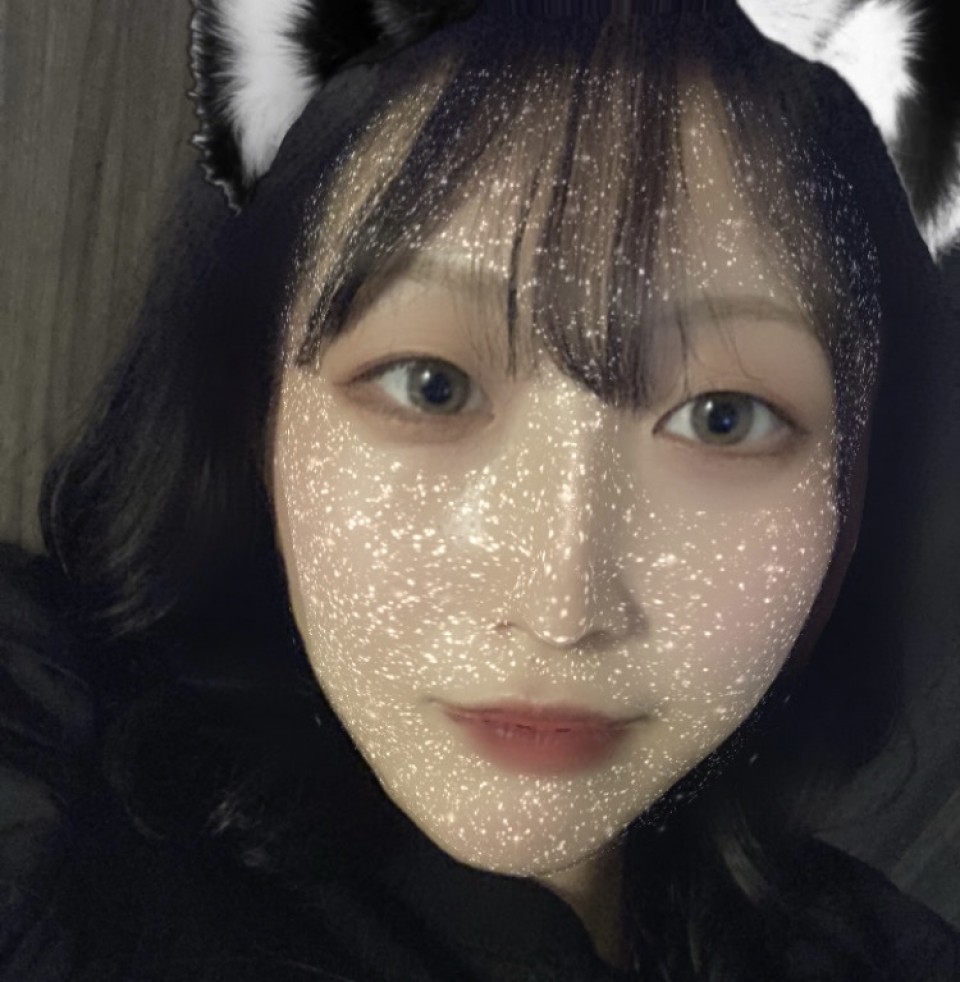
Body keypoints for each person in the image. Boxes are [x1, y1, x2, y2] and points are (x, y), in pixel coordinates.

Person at [2, 1, 959, 979]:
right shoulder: (56, 815)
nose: (561, 608)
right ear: (251, 403)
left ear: (860, 480)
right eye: (433, 385)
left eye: (723, 416)